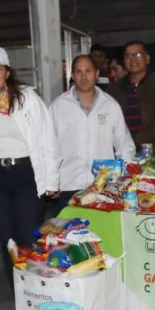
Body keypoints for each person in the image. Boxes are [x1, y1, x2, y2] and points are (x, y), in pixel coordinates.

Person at [0, 45, 60, 291]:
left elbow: (47, 138)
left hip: (26, 173)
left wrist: (52, 180)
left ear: (7, 73)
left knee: (26, 237)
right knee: (6, 240)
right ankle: (21, 299)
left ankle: (36, 291)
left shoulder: (27, 98)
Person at [50, 54, 135, 208]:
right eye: (78, 72)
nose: (83, 76)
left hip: (104, 189)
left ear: (96, 74)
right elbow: (49, 147)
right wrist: (51, 180)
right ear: (73, 76)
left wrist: (125, 180)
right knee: (69, 231)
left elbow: (124, 144)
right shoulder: (58, 106)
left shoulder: (110, 105)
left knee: (102, 231)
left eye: (88, 71)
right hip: (69, 186)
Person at [107, 40, 155, 156]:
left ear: (147, 59)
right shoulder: (114, 89)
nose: (133, 59)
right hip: (124, 151)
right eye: (128, 55)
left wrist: (132, 143)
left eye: (138, 54)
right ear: (124, 61)